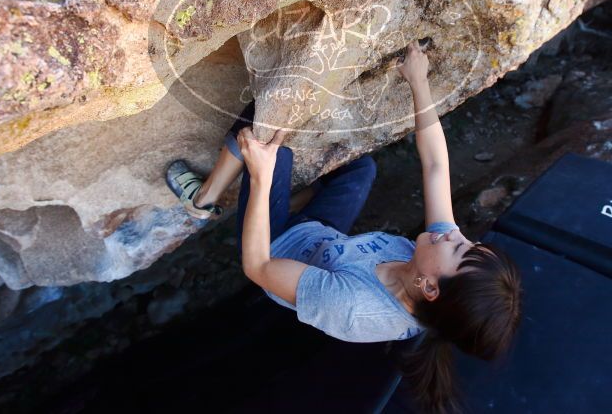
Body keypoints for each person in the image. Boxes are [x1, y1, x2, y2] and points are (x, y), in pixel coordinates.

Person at [166, 42, 522, 413]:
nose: (454, 232)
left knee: (265, 131)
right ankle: (279, 195)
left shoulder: (353, 308)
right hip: (320, 237)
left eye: (458, 247)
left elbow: (257, 267)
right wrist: (419, 81)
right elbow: (435, 165)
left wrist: (262, 177)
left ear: (430, 287)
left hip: (272, 248)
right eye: (468, 239)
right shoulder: (429, 261)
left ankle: (203, 199)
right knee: (361, 169)